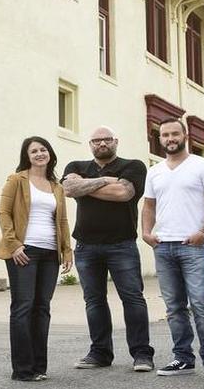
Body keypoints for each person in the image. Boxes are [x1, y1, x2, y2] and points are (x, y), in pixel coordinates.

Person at [61, 126, 155, 372]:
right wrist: (106, 180)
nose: (102, 144)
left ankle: (142, 354)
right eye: (96, 140)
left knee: (133, 299)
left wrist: (86, 185)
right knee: (94, 301)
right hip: (86, 247)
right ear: (90, 144)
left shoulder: (133, 166)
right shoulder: (76, 165)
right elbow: (69, 189)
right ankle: (100, 353)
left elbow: (123, 193)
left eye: (107, 139)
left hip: (121, 245)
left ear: (116, 141)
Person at [141, 118, 204, 381]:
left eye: (174, 134)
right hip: (163, 247)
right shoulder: (154, 171)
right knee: (174, 308)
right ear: (160, 138)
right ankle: (183, 359)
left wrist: (202, 233)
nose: (170, 138)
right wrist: (146, 233)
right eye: (165, 135)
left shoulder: (203, 167)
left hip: (193, 247)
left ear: (185, 136)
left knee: (200, 304)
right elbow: (149, 205)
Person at [0, 136, 74, 382]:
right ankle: (22, 369)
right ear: (27, 157)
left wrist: (67, 250)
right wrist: (14, 245)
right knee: (23, 307)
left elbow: (62, 220)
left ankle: (39, 367)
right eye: (34, 151)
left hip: (50, 253)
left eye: (43, 149)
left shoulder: (56, 186)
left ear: (49, 154)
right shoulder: (16, 180)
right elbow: (4, 213)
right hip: (23, 252)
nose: (40, 154)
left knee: (42, 308)